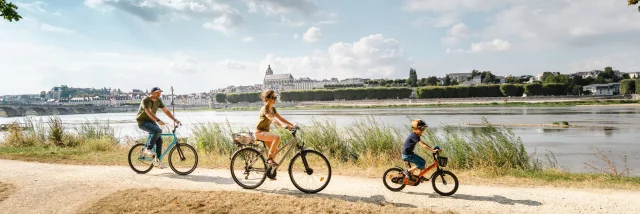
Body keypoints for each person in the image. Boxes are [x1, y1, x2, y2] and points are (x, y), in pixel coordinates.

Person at [136, 87, 181, 169]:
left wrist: (175, 120)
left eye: (160, 93)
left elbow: (166, 111)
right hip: (142, 122)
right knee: (158, 131)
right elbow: (148, 112)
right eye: (157, 93)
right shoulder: (145, 100)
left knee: (159, 140)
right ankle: (148, 148)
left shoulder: (158, 100)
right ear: (152, 93)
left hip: (151, 122)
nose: (159, 94)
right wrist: (158, 120)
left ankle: (157, 161)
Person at [254, 89, 294, 169]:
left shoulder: (273, 109)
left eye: (275, 97)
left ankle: (269, 171)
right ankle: (269, 158)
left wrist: (292, 125)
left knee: (276, 151)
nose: (274, 99)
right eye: (272, 97)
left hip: (265, 133)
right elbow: (272, 119)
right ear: (267, 99)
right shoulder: (264, 109)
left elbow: (280, 118)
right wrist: (283, 126)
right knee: (277, 137)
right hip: (259, 133)